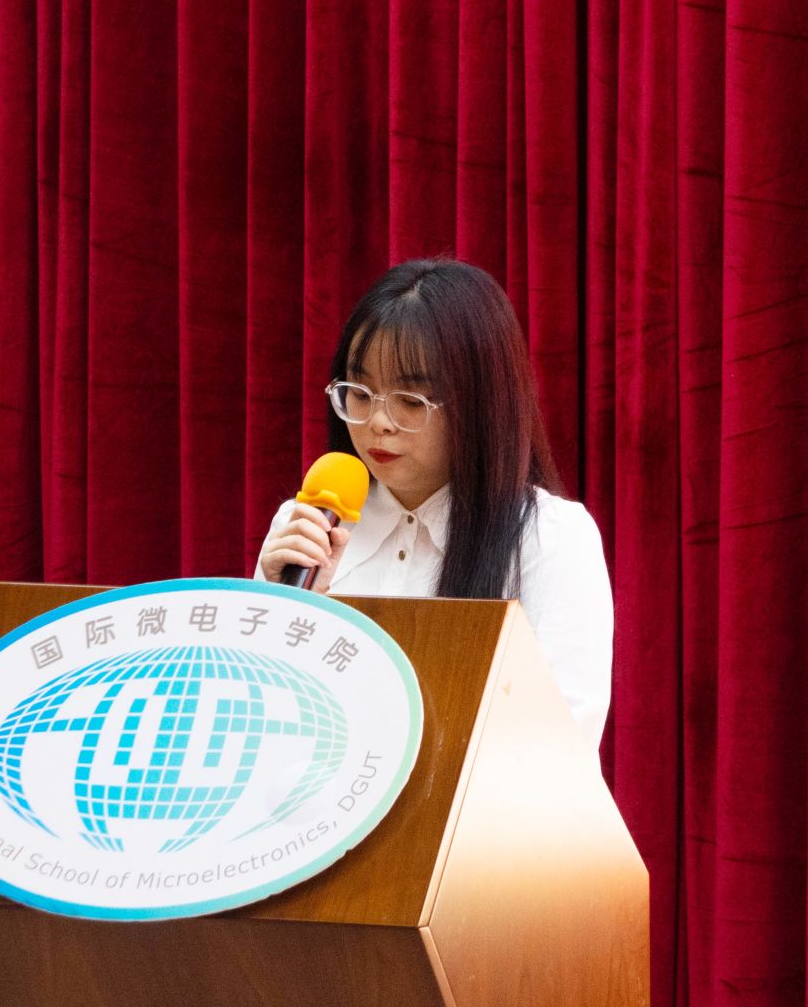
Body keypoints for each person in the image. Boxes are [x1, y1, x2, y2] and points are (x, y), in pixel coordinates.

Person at [255, 258, 614, 749]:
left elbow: (561, 741)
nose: (378, 422)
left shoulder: (550, 538)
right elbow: (261, 722)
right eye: (360, 393)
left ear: (479, 404)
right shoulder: (308, 526)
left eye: (410, 400)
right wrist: (292, 608)